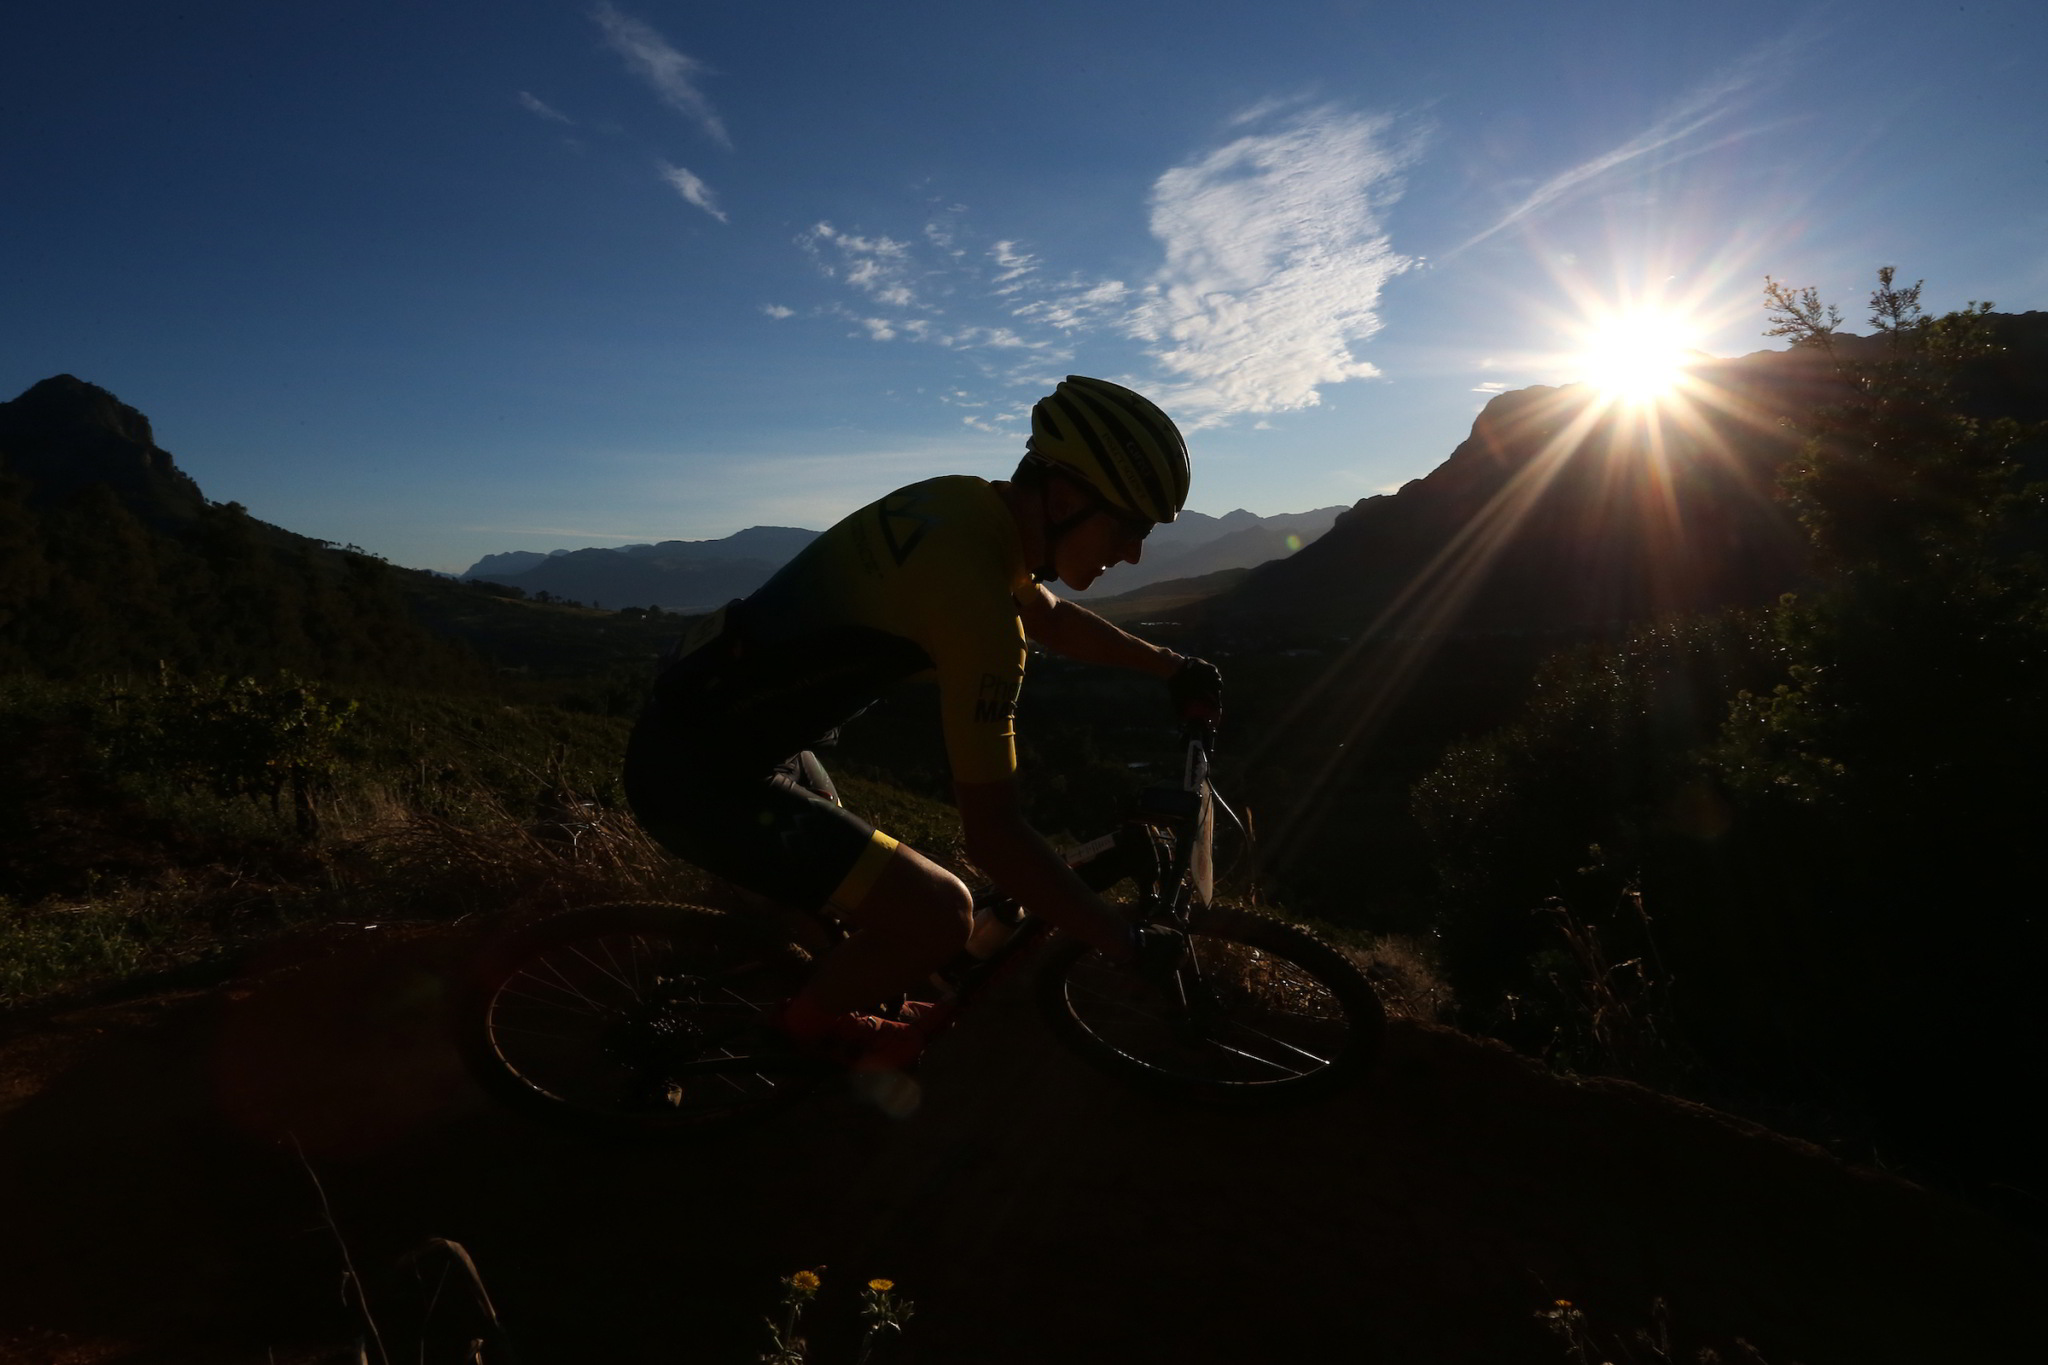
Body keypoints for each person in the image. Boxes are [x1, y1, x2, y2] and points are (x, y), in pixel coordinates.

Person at [623, 375, 1223, 1068]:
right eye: (1130, 527)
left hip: (717, 728)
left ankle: (824, 985)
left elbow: (1048, 615)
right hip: (702, 778)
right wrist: (1124, 941)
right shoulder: (978, 609)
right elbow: (994, 836)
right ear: (1065, 499)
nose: (1134, 552)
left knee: (862, 903)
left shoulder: (964, 506)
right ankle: (796, 1035)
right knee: (942, 913)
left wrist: (1170, 665)